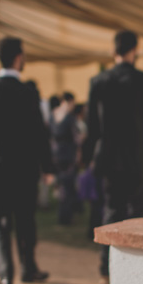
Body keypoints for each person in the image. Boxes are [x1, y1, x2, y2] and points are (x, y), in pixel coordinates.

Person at [0, 37, 55, 284]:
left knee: (0, 223)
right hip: (24, 168)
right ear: (19, 58)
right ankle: (28, 269)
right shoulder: (29, 93)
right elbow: (40, 134)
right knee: (25, 220)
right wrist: (48, 167)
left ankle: (6, 275)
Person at [85, 30, 143, 284]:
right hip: (141, 160)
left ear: (113, 51)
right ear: (135, 50)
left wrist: (89, 157)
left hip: (109, 160)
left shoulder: (99, 81)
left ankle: (105, 270)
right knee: (139, 216)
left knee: (111, 212)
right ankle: (135, 272)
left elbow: (92, 127)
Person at [52, 91, 81, 225]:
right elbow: (76, 138)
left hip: (56, 153)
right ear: (69, 102)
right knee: (68, 186)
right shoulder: (70, 117)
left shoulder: (54, 114)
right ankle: (66, 216)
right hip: (68, 154)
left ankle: (62, 214)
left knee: (62, 184)